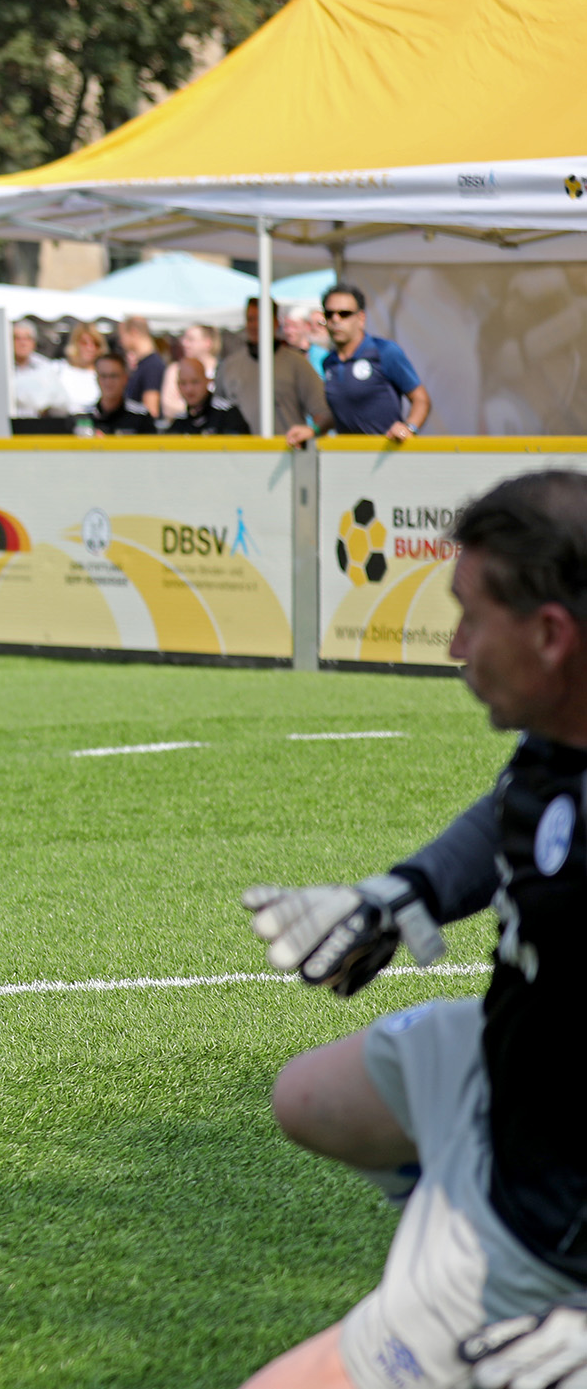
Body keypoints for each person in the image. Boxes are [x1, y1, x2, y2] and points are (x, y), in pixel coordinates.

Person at [238, 471, 587, 1389]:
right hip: (506, 1062)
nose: (455, 645)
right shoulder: (568, 721)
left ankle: (482, 1299)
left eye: (471, 617)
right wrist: (403, 895)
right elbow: (515, 804)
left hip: (545, 1216)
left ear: (551, 635)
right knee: (307, 1097)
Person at [319, 283, 431, 440]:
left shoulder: (385, 351)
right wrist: (314, 430)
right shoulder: (329, 362)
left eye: (344, 313)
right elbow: (342, 412)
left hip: (386, 452)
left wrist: (409, 428)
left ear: (361, 318)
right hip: (347, 454)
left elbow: (421, 399)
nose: (335, 319)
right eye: (329, 314)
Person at [215, 297, 332, 444]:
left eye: (261, 319)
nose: (255, 325)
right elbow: (216, 412)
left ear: (275, 322)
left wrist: (312, 431)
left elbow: (324, 412)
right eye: (251, 319)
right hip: (241, 454)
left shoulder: (296, 363)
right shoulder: (229, 366)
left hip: (286, 452)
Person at [161, 357, 245, 434]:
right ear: (178, 385)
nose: (189, 389)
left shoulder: (227, 413)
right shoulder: (179, 421)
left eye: (195, 382)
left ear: (207, 381)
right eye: (183, 383)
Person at [10, 320, 68, 419]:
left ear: (34, 342)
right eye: (17, 338)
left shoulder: (44, 367)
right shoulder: (2, 367)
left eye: (27, 338)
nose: (23, 343)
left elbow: (60, 401)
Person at [87, 353, 155, 434]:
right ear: (97, 379)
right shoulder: (83, 416)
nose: (108, 382)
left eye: (113, 376)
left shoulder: (140, 416)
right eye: (103, 376)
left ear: (125, 378)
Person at [117, 315, 166, 417]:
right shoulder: (145, 364)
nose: (120, 342)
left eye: (122, 336)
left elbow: (151, 410)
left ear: (133, 332)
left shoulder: (152, 366)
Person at [56, 322, 108, 415]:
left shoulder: (105, 375)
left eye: (96, 344)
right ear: (75, 344)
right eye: (84, 343)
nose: (90, 348)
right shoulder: (59, 369)